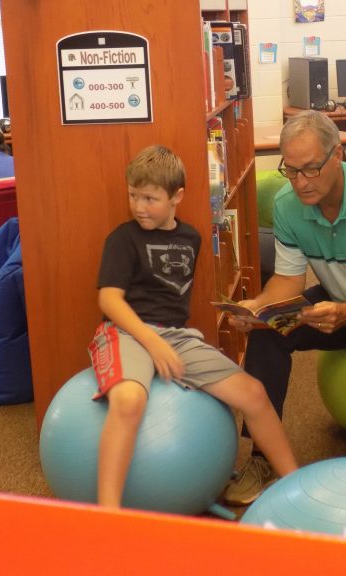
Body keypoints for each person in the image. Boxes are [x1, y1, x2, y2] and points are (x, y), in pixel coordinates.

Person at [223, 110, 346, 506]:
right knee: (267, 334)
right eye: (291, 171)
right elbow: (288, 281)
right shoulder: (287, 204)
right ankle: (261, 455)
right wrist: (257, 307)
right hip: (332, 300)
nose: (301, 182)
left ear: (338, 154)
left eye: (311, 168)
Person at [88, 145, 297, 508]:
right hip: (126, 332)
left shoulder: (191, 238)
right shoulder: (122, 238)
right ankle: (109, 515)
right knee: (129, 400)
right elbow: (109, 300)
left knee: (254, 394)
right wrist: (152, 342)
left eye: (150, 198)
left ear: (177, 196)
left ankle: (295, 485)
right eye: (133, 196)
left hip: (177, 337)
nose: (139, 206)